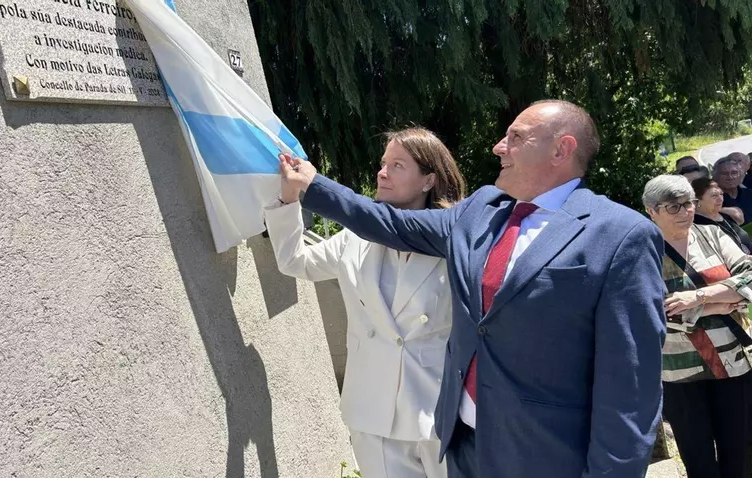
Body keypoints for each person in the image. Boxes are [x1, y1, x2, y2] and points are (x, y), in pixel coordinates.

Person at [278, 100, 666, 478]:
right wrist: (312, 185)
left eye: (516, 137)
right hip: (463, 446)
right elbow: (391, 224)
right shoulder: (482, 210)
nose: (499, 147)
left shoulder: (620, 235)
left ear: (561, 149)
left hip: (546, 454)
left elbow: (630, 387)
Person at [266, 128, 466, 478]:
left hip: (438, 410)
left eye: (398, 165)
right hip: (372, 410)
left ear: (428, 180)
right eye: (383, 163)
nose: (382, 173)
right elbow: (294, 261)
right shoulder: (354, 239)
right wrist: (287, 199)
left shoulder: (456, 242)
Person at [642, 174, 752, 478]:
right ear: (652, 210)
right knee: (696, 452)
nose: (685, 211)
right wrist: (720, 303)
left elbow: (749, 276)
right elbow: (649, 310)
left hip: (732, 360)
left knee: (740, 447)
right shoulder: (641, 250)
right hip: (678, 368)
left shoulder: (713, 235)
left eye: (689, 203)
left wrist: (697, 298)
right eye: (673, 206)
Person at [691, 177, 752, 253]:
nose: (720, 199)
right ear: (697, 200)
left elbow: (739, 217)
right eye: (714, 195)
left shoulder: (724, 215)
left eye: (721, 194)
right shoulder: (698, 225)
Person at [714, 155, 752, 225]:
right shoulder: (711, 201)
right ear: (715, 177)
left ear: (740, 175)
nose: (730, 177)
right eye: (724, 173)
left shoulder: (749, 194)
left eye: (734, 173)